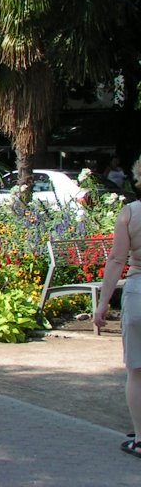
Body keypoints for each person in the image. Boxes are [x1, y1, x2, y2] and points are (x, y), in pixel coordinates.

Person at [95, 157, 141, 458]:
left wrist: (101, 306)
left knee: (137, 372)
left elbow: (116, 260)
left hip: (139, 293)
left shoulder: (131, 213)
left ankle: (140, 438)